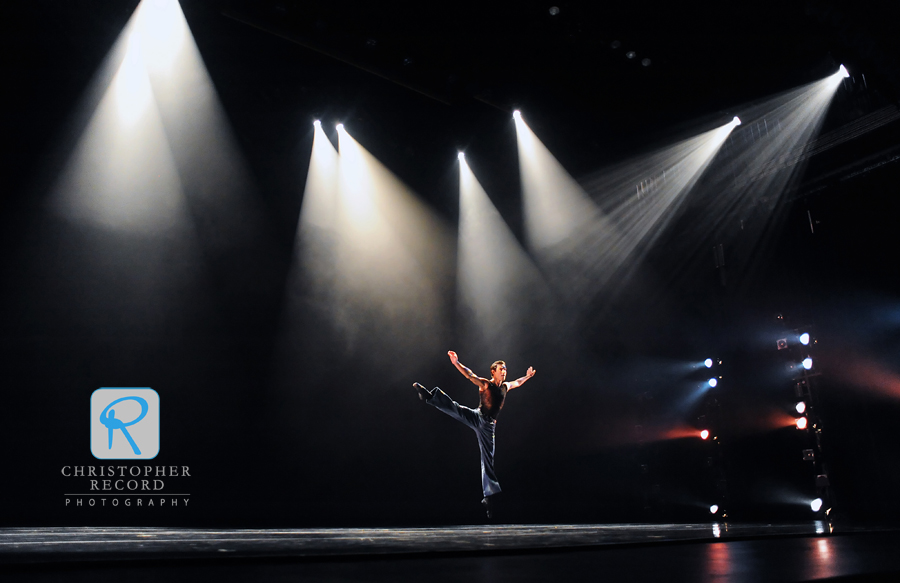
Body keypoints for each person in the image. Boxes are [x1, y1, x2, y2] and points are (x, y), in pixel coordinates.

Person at [413, 350, 536, 519]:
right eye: (501, 369)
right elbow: (470, 375)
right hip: (477, 416)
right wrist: (456, 363)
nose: (504, 371)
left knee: (488, 459)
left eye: (505, 369)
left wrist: (527, 376)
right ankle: (429, 396)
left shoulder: (505, 387)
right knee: (456, 409)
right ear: (493, 372)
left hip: (488, 427)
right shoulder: (486, 384)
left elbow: (518, 382)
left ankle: (489, 498)